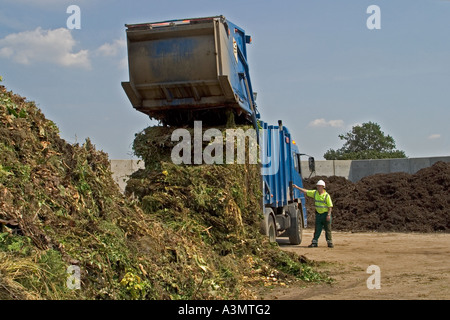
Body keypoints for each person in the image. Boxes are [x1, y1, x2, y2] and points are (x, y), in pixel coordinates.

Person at [293, 180, 334, 248]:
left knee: (328, 229)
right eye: (317, 186)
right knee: (317, 229)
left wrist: (328, 215)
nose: (318, 187)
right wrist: (297, 187)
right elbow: (306, 191)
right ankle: (314, 242)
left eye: (319, 186)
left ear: (323, 187)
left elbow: (330, 207)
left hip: (325, 214)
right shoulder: (315, 193)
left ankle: (329, 242)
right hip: (318, 215)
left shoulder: (326, 196)